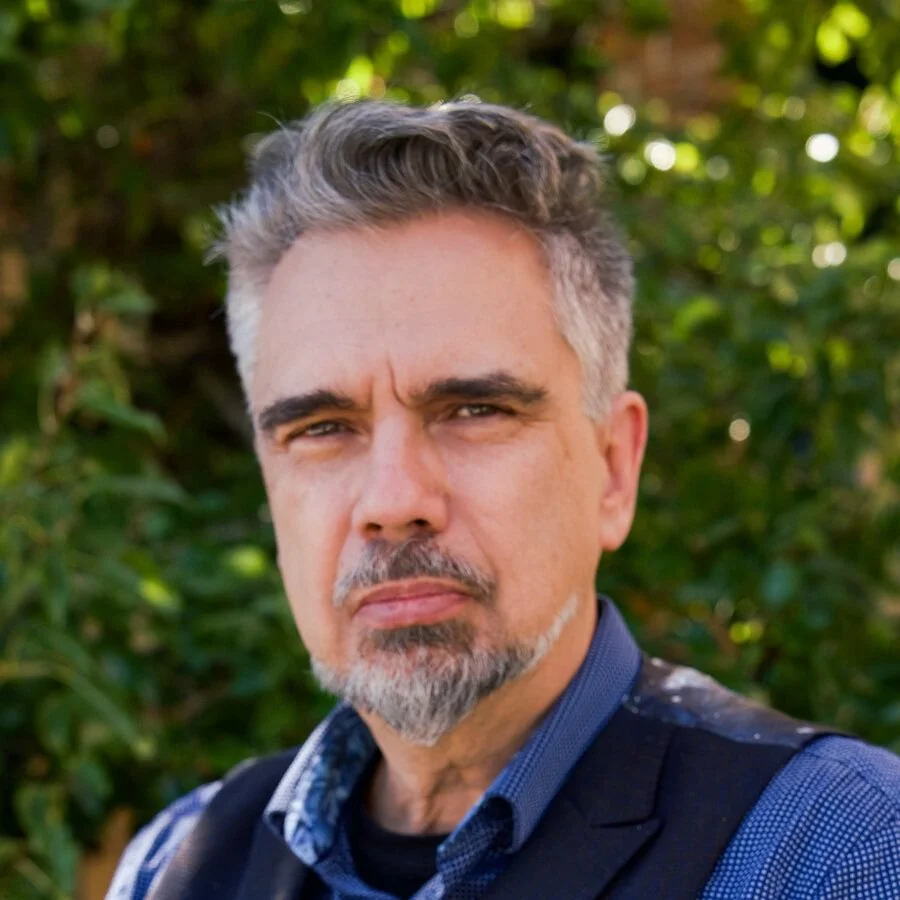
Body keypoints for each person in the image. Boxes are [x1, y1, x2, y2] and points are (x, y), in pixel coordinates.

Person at [106, 100, 900, 900]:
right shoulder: (174, 866)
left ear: (613, 467)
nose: (392, 500)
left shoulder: (836, 854)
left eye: (474, 411)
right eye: (322, 427)